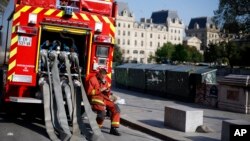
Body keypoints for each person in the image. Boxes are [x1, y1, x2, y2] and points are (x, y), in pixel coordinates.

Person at [87, 68, 121, 136]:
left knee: (116, 109)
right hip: (96, 98)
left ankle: (113, 129)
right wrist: (100, 89)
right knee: (102, 113)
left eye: (105, 76)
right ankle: (96, 128)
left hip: (105, 98)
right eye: (102, 76)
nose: (104, 77)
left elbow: (108, 92)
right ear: (99, 74)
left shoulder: (106, 80)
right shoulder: (92, 79)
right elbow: (89, 92)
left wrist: (108, 91)